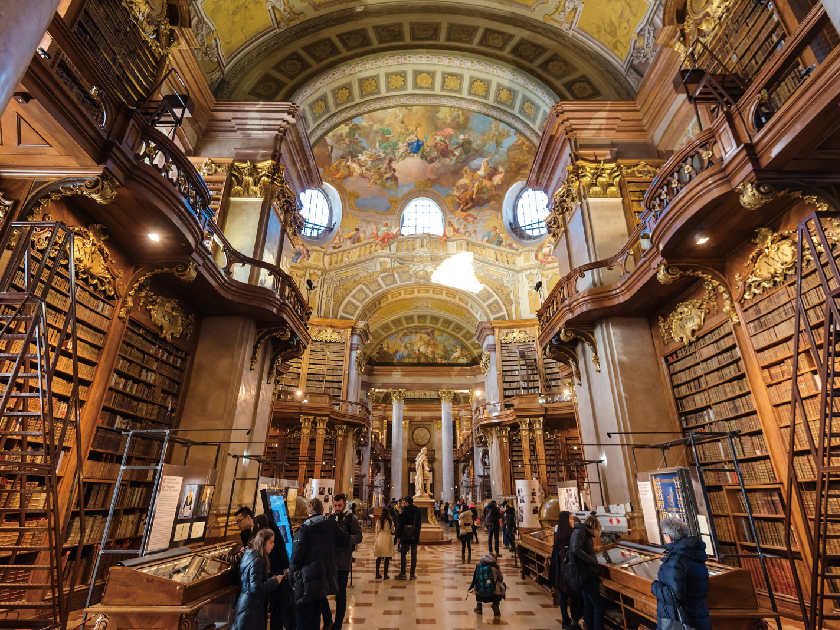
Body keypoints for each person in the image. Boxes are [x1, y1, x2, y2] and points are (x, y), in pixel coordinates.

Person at [290, 498, 351, 630]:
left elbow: (296, 557)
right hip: (325, 576)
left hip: (308, 578)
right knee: (315, 616)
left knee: (304, 619)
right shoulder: (331, 525)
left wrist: (291, 578)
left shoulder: (304, 529)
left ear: (307, 512)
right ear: (322, 510)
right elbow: (346, 539)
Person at [652, 517, 711, 630]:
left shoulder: (676, 559)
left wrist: (655, 586)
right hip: (699, 617)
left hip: (679, 621)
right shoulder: (694, 553)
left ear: (668, 536)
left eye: (664, 534)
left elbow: (675, 595)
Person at [322, 493, 363, 630]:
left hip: (343, 562)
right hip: (330, 561)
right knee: (322, 592)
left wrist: (347, 540)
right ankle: (327, 619)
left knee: (340, 595)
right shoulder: (330, 518)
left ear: (344, 504)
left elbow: (358, 536)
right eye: (335, 506)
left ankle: (338, 624)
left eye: (339, 505)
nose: (337, 508)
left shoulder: (351, 518)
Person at [231, 529, 281, 630]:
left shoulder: (250, 555)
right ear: (263, 543)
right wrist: (275, 581)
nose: (273, 545)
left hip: (248, 604)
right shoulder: (258, 561)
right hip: (252, 607)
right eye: (271, 542)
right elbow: (256, 587)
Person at [569, 514, 604, 630]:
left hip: (584, 574)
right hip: (586, 574)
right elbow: (575, 549)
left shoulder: (581, 532)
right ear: (593, 526)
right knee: (598, 607)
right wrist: (590, 560)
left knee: (587, 604)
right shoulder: (581, 532)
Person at [549, 510, 582, 630]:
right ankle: (571, 619)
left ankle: (567, 619)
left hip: (561, 567)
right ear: (565, 521)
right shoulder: (569, 535)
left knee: (563, 592)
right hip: (568, 568)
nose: (573, 521)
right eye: (571, 519)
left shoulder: (559, 534)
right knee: (573, 593)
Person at [395, 496, 422, 580]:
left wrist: (398, 536)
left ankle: (403, 573)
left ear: (407, 502)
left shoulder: (404, 510)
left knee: (403, 554)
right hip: (414, 535)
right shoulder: (417, 511)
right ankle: (412, 574)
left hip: (405, 535)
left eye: (404, 502)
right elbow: (419, 525)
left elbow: (400, 524)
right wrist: (417, 535)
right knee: (414, 555)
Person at [374, 506, 395, 579]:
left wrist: (378, 536)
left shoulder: (379, 520)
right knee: (387, 557)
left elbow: (377, 530)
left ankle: (377, 574)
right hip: (387, 538)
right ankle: (385, 575)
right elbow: (393, 530)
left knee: (379, 556)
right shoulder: (390, 520)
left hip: (381, 537)